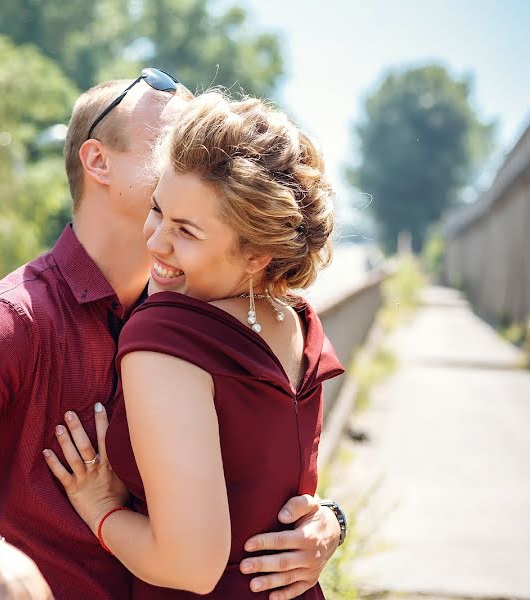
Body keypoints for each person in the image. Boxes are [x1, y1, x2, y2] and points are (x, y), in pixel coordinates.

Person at [0, 69, 346, 600]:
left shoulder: (207, 309)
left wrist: (326, 523)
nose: (192, 154)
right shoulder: (12, 319)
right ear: (98, 161)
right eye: (172, 140)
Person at [43, 90, 345, 599]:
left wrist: (101, 511)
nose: (156, 241)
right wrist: (333, 519)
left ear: (255, 255)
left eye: (185, 231)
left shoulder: (166, 337)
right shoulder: (299, 321)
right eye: (157, 209)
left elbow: (190, 567)